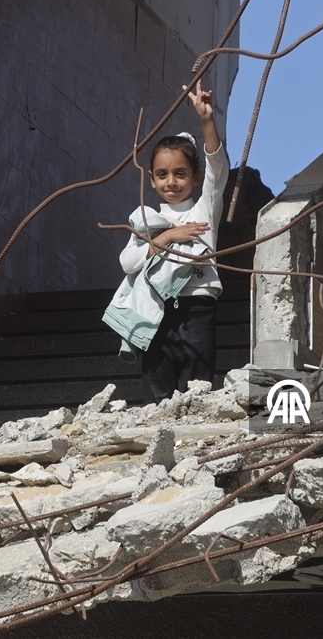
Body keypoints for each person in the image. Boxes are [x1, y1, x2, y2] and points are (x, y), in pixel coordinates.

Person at [117, 79, 229, 404]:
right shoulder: (146, 218)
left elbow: (217, 169)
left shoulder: (204, 207)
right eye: (163, 174)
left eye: (181, 173)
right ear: (151, 179)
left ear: (195, 177)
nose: (171, 182)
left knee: (196, 391)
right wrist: (168, 236)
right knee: (157, 391)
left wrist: (206, 120)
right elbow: (128, 263)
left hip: (197, 308)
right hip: (157, 311)